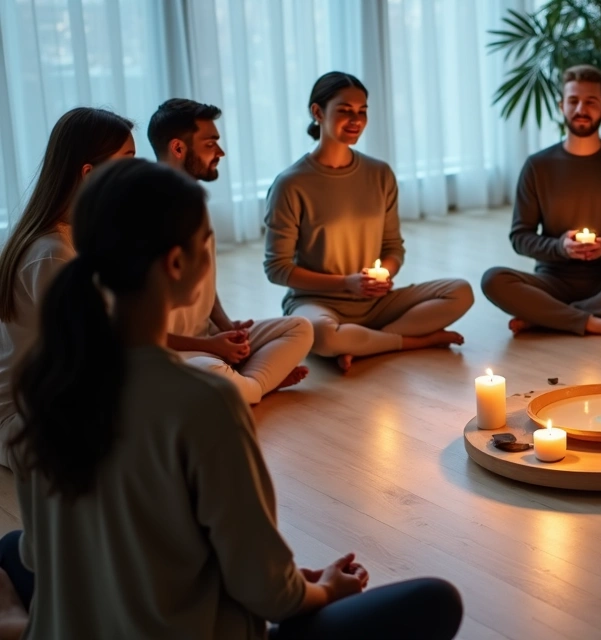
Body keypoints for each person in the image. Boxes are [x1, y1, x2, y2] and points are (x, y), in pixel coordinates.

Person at [0, 158, 464, 639]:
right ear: (176, 264)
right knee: (435, 600)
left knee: (12, 547)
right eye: (207, 241)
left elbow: (43, 557)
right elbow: (271, 595)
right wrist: (325, 589)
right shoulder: (204, 402)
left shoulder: (44, 391)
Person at [265, 72, 473, 372]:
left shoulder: (379, 174)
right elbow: (277, 268)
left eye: (362, 111)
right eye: (345, 110)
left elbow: (393, 247)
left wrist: (384, 274)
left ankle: (363, 343)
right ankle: (411, 341)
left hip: (376, 303)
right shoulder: (291, 184)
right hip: (318, 304)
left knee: (460, 291)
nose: (356, 120)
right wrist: (346, 283)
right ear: (317, 112)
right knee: (322, 335)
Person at [480, 64, 601, 337]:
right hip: (552, 281)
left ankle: (548, 317)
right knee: (493, 279)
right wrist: (560, 247)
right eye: (573, 100)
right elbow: (520, 237)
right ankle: (592, 321)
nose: (581, 109)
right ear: (561, 106)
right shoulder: (538, 166)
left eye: (591, 102)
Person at [149, 98, 313, 403]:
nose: (221, 152)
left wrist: (227, 328)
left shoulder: (195, 202)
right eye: (210, 143)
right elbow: (143, 334)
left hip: (206, 339)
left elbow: (205, 282)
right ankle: (258, 385)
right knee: (219, 375)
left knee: (301, 327)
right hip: (171, 352)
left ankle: (246, 383)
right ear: (178, 148)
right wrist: (212, 347)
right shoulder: (146, 214)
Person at [0, 107, 135, 469]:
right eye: (127, 160)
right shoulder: (53, 253)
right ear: (89, 174)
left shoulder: (75, 236)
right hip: (26, 423)